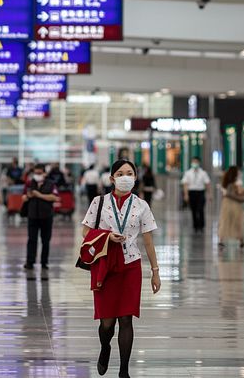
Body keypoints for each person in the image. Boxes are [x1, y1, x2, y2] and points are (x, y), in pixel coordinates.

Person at [81, 159, 161, 378]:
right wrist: (107, 237)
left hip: (131, 265)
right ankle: (105, 347)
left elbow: (148, 241)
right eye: (120, 173)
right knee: (107, 322)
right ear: (112, 178)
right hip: (106, 264)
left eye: (129, 173)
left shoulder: (141, 205)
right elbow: (85, 232)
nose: (125, 177)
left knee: (126, 318)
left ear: (135, 178)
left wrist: (155, 272)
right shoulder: (99, 202)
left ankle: (124, 370)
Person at [24, 164, 58, 270]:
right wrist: (27, 196)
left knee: (45, 241)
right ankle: (30, 262)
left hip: (46, 216)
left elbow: (54, 197)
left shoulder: (51, 184)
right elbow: (23, 196)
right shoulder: (30, 183)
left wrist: (39, 195)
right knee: (31, 240)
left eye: (39, 173)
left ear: (44, 173)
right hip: (32, 215)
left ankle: (44, 262)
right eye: (35, 173)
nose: (37, 175)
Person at [217, 166, 244, 248]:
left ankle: (221, 240)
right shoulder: (238, 182)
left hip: (226, 203)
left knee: (224, 221)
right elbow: (240, 192)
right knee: (237, 222)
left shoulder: (225, 181)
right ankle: (241, 241)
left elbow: (224, 193)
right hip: (236, 204)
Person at [181, 157, 211, 234]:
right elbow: (185, 184)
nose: (195, 164)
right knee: (193, 210)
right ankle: (195, 226)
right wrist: (186, 195)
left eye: (196, 162)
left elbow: (207, 184)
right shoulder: (188, 173)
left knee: (200, 209)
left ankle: (201, 226)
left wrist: (209, 194)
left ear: (199, 163)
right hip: (192, 192)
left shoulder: (203, 173)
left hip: (200, 192)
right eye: (193, 162)